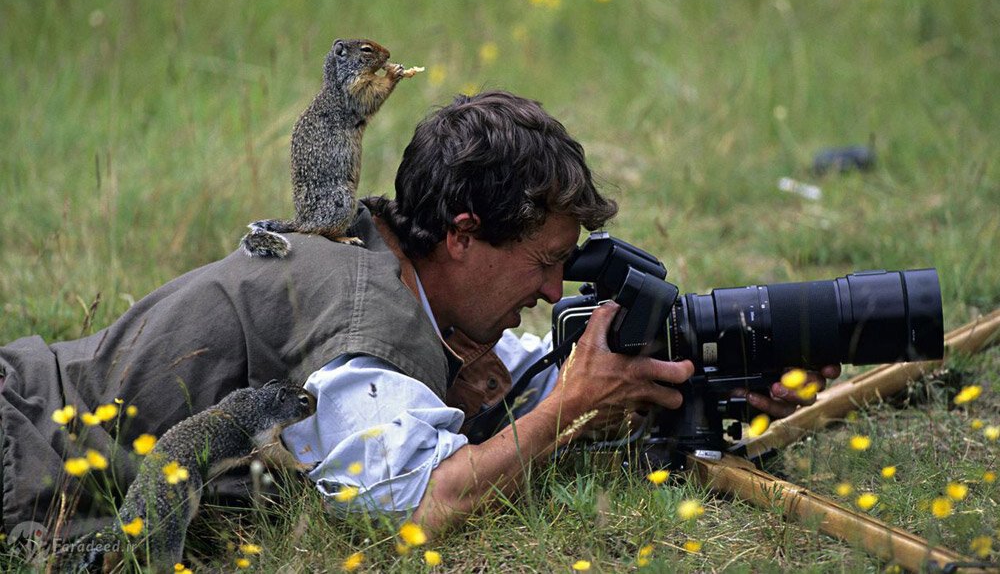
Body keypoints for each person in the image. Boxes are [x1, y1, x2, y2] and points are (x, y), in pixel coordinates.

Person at [0, 90, 838, 539]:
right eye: (545, 264)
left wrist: (693, 378)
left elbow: (509, 395)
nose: (553, 291)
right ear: (466, 236)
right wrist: (572, 404)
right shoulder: (372, 318)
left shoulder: (402, 265)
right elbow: (420, 501)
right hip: (20, 450)